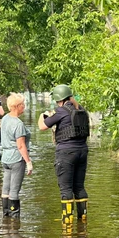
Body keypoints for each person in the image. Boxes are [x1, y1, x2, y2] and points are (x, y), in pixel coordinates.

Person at [38, 84, 90, 224]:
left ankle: (67, 224)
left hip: (66, 153)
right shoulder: (82, 110)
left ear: (58, 99)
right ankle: (82, 221)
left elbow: (42, 126)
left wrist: (42, 115)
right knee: (79, 187)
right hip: (82, 151)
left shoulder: (60, 111)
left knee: (66, 189)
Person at [0, 93, 33, 218]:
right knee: (14, 191)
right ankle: (14, 221)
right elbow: (21, 146)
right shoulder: (18, 124)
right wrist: (28, 162)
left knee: (5, 189)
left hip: (6, 158)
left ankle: (5, 217)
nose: (24, 107)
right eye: (23, 105)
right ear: (17, 106)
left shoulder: (5, 119)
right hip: (16, 159)